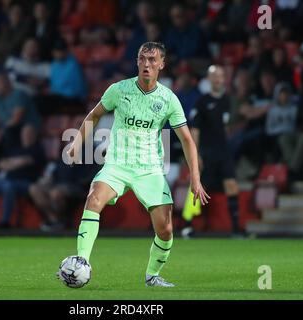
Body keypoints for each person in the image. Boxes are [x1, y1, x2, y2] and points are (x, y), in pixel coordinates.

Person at [65, 42, 210, 287]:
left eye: (153, 60)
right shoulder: (119, 90)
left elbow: (187, 140)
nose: (146, 64)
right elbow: (95, 114)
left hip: (150, 169)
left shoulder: (168, 99)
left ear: (162, 64)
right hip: (117, 164)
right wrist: (76, 144)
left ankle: (152, 275)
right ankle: (81, 262)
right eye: (142, 59)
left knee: (165, 230)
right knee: (94, 199)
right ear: (137, 61)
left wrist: (195, 177)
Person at [189, 65, 242, 235]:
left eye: (221, 76)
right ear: (209, 79)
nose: (218, 79)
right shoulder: (202, 102)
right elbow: (194, 130)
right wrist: (195, 155)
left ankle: (236, 229)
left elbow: (229, 127)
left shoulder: (228, 101)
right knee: (197, 187)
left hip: (224, 152)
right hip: (207, 151)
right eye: (215, 76)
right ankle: (187, 224)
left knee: (232, 185)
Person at [0, 125, 44, 228]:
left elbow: (26, 161)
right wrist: (18, 162)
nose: (27, 136)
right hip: (7, 180)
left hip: (25, 183)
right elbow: (0, 164)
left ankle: (4, 222)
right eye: (25, 133)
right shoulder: (15, 149)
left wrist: (11, 163)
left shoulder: (37, 149)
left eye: (29, 133)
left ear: (34, 135)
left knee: (8, 186)